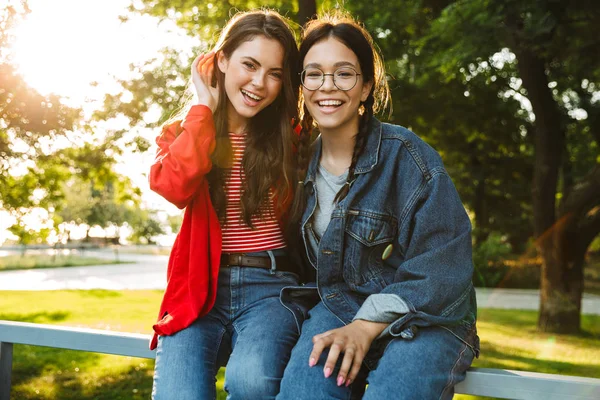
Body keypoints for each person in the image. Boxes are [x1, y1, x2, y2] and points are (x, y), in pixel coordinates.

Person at [277, 12, 480, 400]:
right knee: (304, 391)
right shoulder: (297, 165)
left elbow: (444, 269)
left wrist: (366, 325)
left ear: (367, 87)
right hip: (339, 307)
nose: (327, 86)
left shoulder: (407, 156)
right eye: (314, 74)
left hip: (428, 316)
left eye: (344, 73)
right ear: (301, 86)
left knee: (394, 392)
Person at [148, 10, 304, 400]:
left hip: (271, 290)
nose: (259, 83)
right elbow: (173, 186)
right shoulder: (188, 131)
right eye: (249, 65)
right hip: (199, 289)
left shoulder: (293, 138)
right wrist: (203, 106)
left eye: (274, 73)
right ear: (221, 60)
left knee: (252, 382)